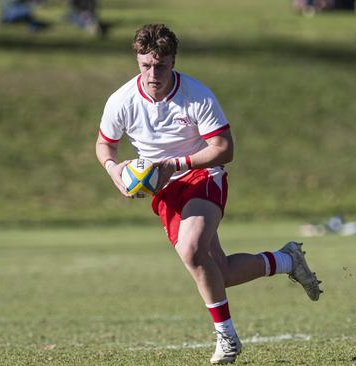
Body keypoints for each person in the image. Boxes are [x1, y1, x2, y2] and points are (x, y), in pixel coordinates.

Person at [95, 24, 322, 364]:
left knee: (191, 248)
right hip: (165, 190)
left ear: (173, 60)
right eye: (145, 65)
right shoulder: (122, 100)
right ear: (137, 60)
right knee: (221, 273)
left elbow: (224, 148)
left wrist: (177, 163)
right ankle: (287, 259)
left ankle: (227, 339)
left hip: (202, 174)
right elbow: (104, 144)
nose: (153, 73)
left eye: (161, 65)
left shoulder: (197, 95)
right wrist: (114, 171)